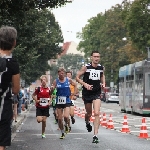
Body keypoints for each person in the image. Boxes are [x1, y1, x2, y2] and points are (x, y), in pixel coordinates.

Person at [76, 50, 105, 144]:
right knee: (89, 113)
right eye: (95, 56)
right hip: (87, 93)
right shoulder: (86, 67)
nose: (96, 58)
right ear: (91, 57)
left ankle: (95, 135)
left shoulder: (101, 68)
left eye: (98, 57)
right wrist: (84, 84)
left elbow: (102, 75)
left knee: (96, 113)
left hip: (96, 92)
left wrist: (103, 83)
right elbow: (77, 77)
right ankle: (87, 122)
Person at [0, 26, 20, 150]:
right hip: (4, 103)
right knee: (2, 140)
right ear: (14, 43)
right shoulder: (13, 63)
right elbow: (16, 90)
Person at [51, 68, 77, 139]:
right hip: (59, 101)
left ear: (64, 74)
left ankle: (66, 125)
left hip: (67, 100)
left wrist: (74, 94)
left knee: (66, 116)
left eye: (63, 73)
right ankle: (62, 132)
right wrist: (52, 89)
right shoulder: (56, 81)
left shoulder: (68, 80)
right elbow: (52, 90)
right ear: (58, 73)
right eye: (60, 73)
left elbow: (75, 85)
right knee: (59, 119)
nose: (61, 74)